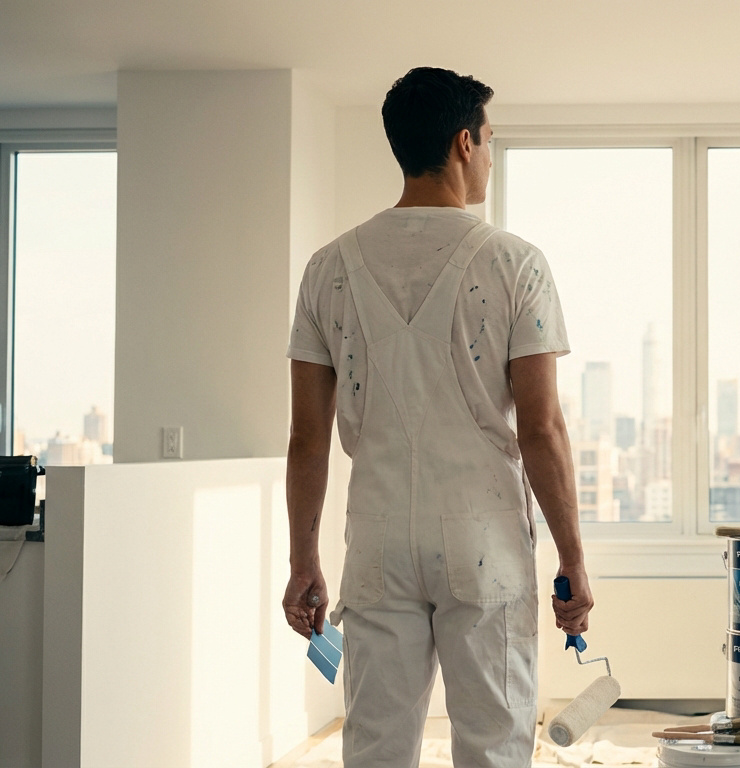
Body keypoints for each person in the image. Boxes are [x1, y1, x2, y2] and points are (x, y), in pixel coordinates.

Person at [280, 67, 592, 767]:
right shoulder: (516, 264)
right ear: (463, 143)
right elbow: (540, 428)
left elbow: (307, 438)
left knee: (376, 747)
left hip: (379, 537)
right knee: (494, 745)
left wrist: (303, 561)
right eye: (487, 140)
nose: (488, 155)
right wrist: (572, 557)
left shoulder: (328, 268)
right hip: (483, 540)